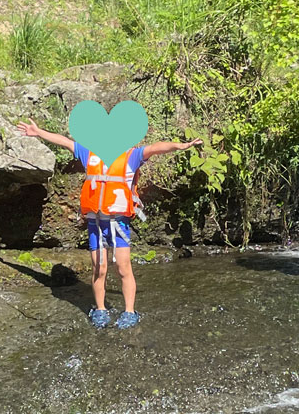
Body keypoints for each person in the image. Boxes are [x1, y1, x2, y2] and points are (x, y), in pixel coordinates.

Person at [17, 118, 202, 328]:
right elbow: (65, 142)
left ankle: (130, 312)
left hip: (119, 223)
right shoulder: (89, 154)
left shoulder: (131, 156)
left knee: (123, 268)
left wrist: (178, 146)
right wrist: (39, 132)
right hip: (95, 222)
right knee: (99, 268)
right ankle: (101, 309)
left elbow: (155, 148)